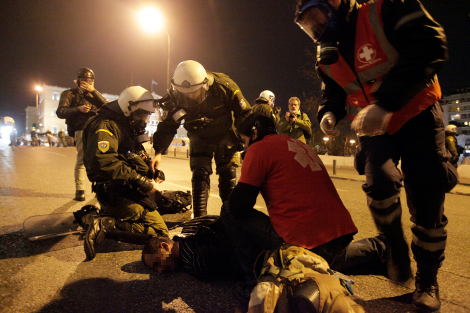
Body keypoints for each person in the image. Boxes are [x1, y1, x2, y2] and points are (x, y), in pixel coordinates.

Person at [294, 0, 458, 311]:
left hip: (418, 114)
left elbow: (431, 43)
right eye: (307, 25)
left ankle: (427, 278)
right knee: (379, 186)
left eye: (317, 18)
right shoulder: (327, 53)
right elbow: (333, 88)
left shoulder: (385, 10)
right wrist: (329, 111)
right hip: (374, 124)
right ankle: (394, 249)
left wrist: (385, 103)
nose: (315, 30)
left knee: (426, 203)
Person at [221, 107, 387, 301]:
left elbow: (239, 207)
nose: (245, 146)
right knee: (329, 256)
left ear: (254, 133)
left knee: (228, 210)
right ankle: (379, 246)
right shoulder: (297, 144)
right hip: (340, 233)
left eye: (244, 140)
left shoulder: (259, 148)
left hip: (305, 243)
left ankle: (252, 283)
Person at [151, 60, 251, 217]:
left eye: (194, 93)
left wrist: (247, 139)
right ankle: (199, 221)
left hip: (225, 134)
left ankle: (231, 220)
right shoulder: (175, 95)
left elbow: (244, 115)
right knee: (199, 177)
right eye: (186, 94)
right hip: (198, 135)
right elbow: (168, 126)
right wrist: (158, 151)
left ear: (205, 85)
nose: (191, 97)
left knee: (228, 178)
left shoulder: (224, 87)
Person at [82, 86, 169, 261]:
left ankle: (93, 217)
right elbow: (103, 162)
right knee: (160, 233)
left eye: (146, 115)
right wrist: (143, 183)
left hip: (126, 189)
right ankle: (106, 224)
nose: (144, 119)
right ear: (128, 108)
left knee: (168, 204)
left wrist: (150, 168)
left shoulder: (125, 125)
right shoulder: (105, 124)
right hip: (115, 192)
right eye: (141, 114)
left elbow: (132, 155)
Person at [57, 68, 107, 201]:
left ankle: (102, 189)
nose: (87, 83)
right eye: (84, 81)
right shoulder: (69, 94)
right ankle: (80, 190)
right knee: (82, 159)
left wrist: (94, 92)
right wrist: (78, 109)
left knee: (101, 159)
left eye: (90, 81)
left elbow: (107, 107)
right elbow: (60, 112)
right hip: (81, 129)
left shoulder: (95, 95)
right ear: (78, 81)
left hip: (98, 130)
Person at [142, 215, 243, 281]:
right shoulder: (189, 226)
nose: (160, 271)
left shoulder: (193, 262)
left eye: (157, 263)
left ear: (165, 246)